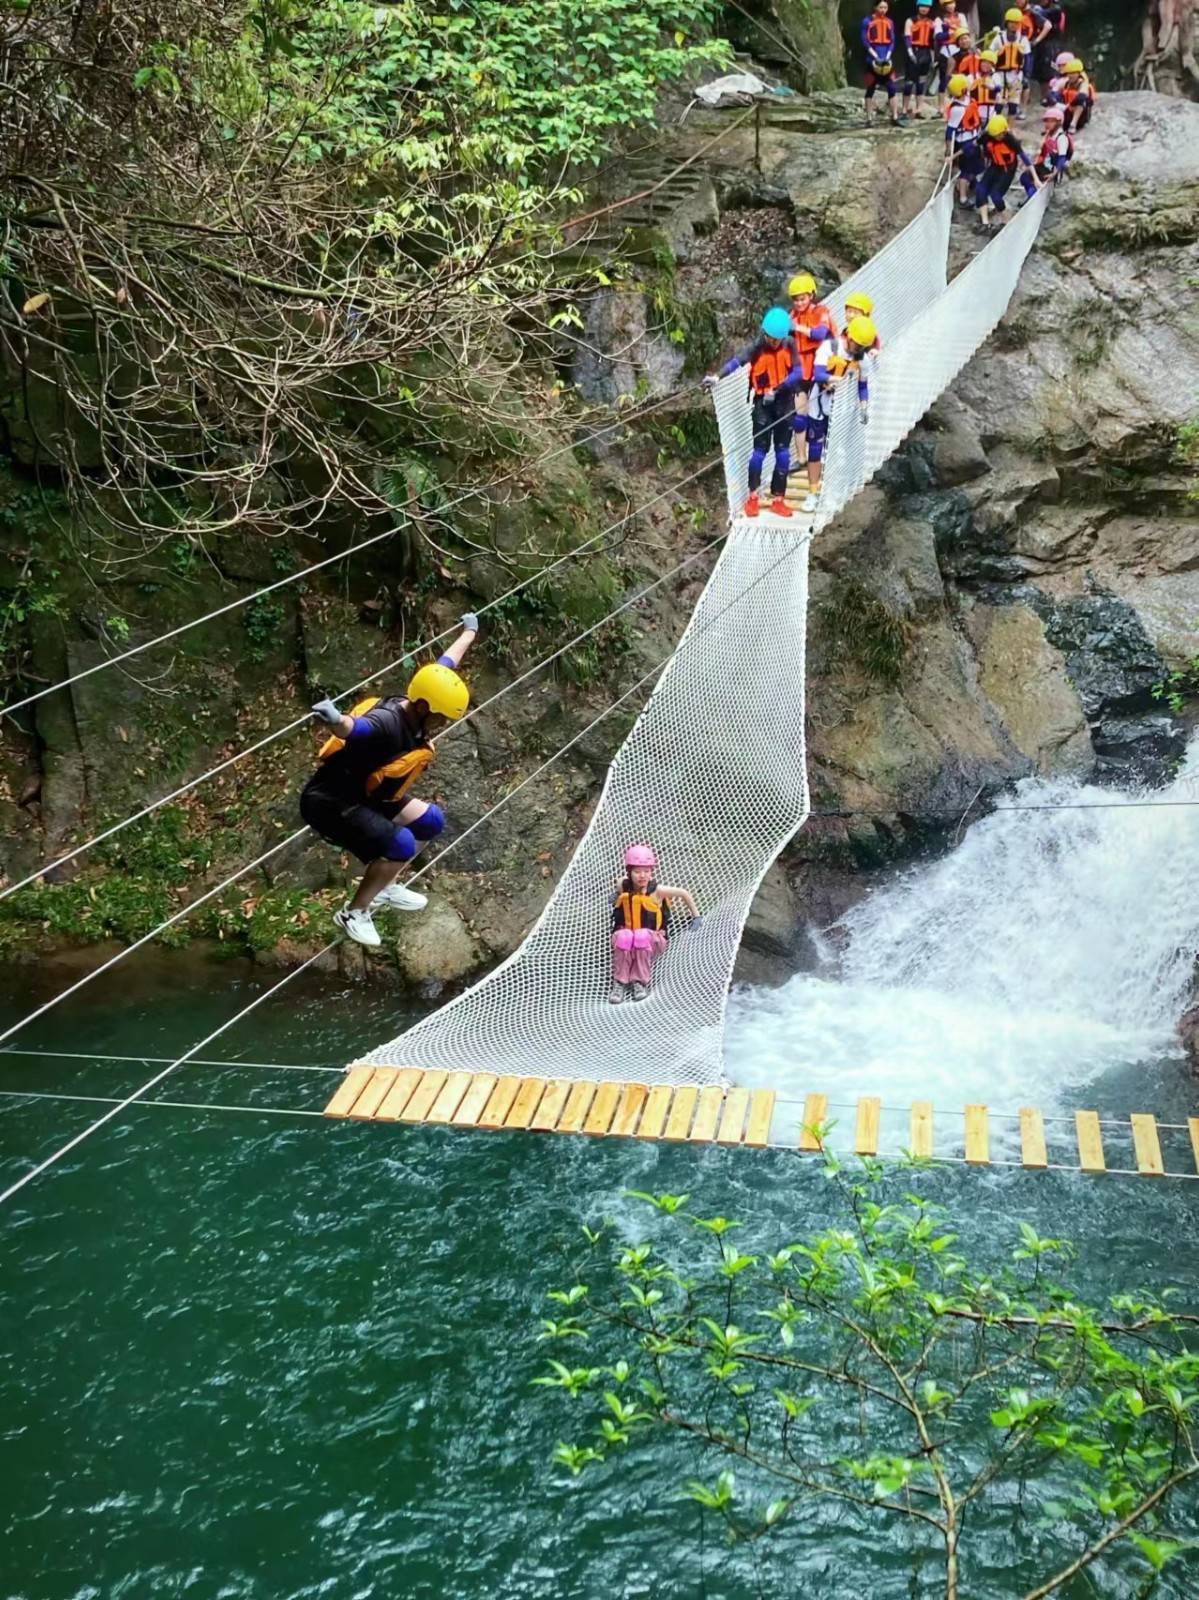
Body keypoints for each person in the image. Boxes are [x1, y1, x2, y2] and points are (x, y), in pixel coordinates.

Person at [303, 616, 478, 946]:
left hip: (366, 794)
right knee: (400, 844)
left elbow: (445, 666)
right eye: (440, 717)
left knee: (430, 821)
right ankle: (354, 912)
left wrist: (469, 632)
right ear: (425, 707)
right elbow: (358, 729)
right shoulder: (387, 722)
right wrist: (336, 719)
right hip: (329, 801)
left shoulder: (420, 703)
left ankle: (385, 885)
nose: (441, 724)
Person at [704, 307, 802, 518]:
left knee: (783, 453)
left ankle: (778, 499)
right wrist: (717, 377)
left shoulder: (790, 344)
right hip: (762, 407)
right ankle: (752, 498)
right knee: (759, 451)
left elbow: (799, 372)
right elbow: (737, 361)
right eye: (770, 337)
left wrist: (778, 389)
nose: (773, 342)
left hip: (784, 403)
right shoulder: (758, 347)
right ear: (764, 333)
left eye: (777, 339)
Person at [800, 315, 876, 514]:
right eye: (856, 345)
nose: (857, 350)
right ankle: (813, 492)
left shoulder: (863, 361)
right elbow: (818, 374)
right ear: (849, 336)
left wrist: (864, 406)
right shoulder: (830, 347)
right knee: (815, 449)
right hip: (819, 405)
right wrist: (834, 379)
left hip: (842, 410)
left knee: (839, 450)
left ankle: (834, 490)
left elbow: (863, 385)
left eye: (862, 347)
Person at [609, 845, 698, 1004]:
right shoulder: (624, 884)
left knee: (641, 935)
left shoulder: (658, 891)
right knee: (625, 935)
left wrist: (696, 917)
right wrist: (616, 894)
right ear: (629, 872)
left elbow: (684, 893)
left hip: (653, 940)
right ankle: (620, 982)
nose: (642, 876)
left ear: (651, 872)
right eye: (637, 872)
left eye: (647, 871)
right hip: (626, 938)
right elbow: (619, 883)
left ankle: (639, 982)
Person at [788, 272, 840, 463]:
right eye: (796, 300)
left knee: (822, 415)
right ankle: (801, 457)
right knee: (799, 417)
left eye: (802, 299)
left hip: (822, 369)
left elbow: (820, 333)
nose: (799, 303)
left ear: (811, 296)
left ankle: (824, 454)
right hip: (801, 370)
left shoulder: (821, 311)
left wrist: (797, 328)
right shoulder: (792, 315)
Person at [976, 114, 1041, 229]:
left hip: (1008, 169)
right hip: (995, 165)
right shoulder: (988, 137)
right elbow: (976, 144)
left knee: (995, 195)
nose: (997, 138)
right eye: (995, 136)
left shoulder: (1010, 140)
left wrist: (1035, 179)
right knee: (981, 189)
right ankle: (985, 223)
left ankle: (1007, 221)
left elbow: (1026, 160)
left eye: (999, 135)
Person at [944, 72, 984, 206]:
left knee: (977, 166)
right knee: (966, 170)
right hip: (965, 141)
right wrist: (949, 149)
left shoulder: (968, 100)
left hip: (974, 137)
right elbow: (950, 131)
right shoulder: (957, 109)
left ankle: (973, 183)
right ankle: (963, 198)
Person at [862, 3, 899, 125]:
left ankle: (894, 116)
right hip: (872, 58)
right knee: (870, 88)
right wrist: (875, 56)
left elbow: (892, 41)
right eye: (880, 7)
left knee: (892, 87)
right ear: (875, 8)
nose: (883, 10)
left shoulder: (889, 22)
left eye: (885, 8)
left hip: (886, 58)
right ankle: (869, 118)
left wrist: (887, 56)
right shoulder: (867, 21)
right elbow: (865, 40)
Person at [903, 1, 939, 119]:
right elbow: (907, 37)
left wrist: (934, 57)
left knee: (921, 82)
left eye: (927, 7)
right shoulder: (910, 20)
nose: (924, 9)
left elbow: (933, 42)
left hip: (926, 53)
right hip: (914, 51)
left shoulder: (931, 23)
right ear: (918, 7)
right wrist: (909, 52)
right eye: (922, 6)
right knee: (909, 82)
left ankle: (919, 108)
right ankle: (904, 109)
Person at [994, 9, 1032, 118]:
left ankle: (1010, 128)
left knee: (1013, 104)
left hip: (1016, 75)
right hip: (1000, 74)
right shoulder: (999, 38)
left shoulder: (1023, 40)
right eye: (1011, 23)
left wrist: (1026, 75)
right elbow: (991, 55)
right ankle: (996, 124)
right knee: (999, 104)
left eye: (1016, 23)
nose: (1014, 25)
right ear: (1007, 23)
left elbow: (1027, 58)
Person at [1028, 104, 1073, 190]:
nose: (1048, 124)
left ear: (1059, 122)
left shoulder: (1061, 138)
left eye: (1052, 121)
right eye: (1047, 121)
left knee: (1029, 177)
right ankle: (1032, 194)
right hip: (1047, 165)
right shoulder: (1048, 135)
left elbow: (1062, 159)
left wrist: (1055, 174)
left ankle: (1035, 193)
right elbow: (1042, 153)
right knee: (1025, 177)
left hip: (1054, 170)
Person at [971, 51, 1003, 119]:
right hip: (975, 113)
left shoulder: (995, 76)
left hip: (990, 113)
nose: (985, 65)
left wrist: (989, 87)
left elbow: (998, 88)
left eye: (989, 63)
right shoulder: (973, 76)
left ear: (993, 65)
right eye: (984, 62)